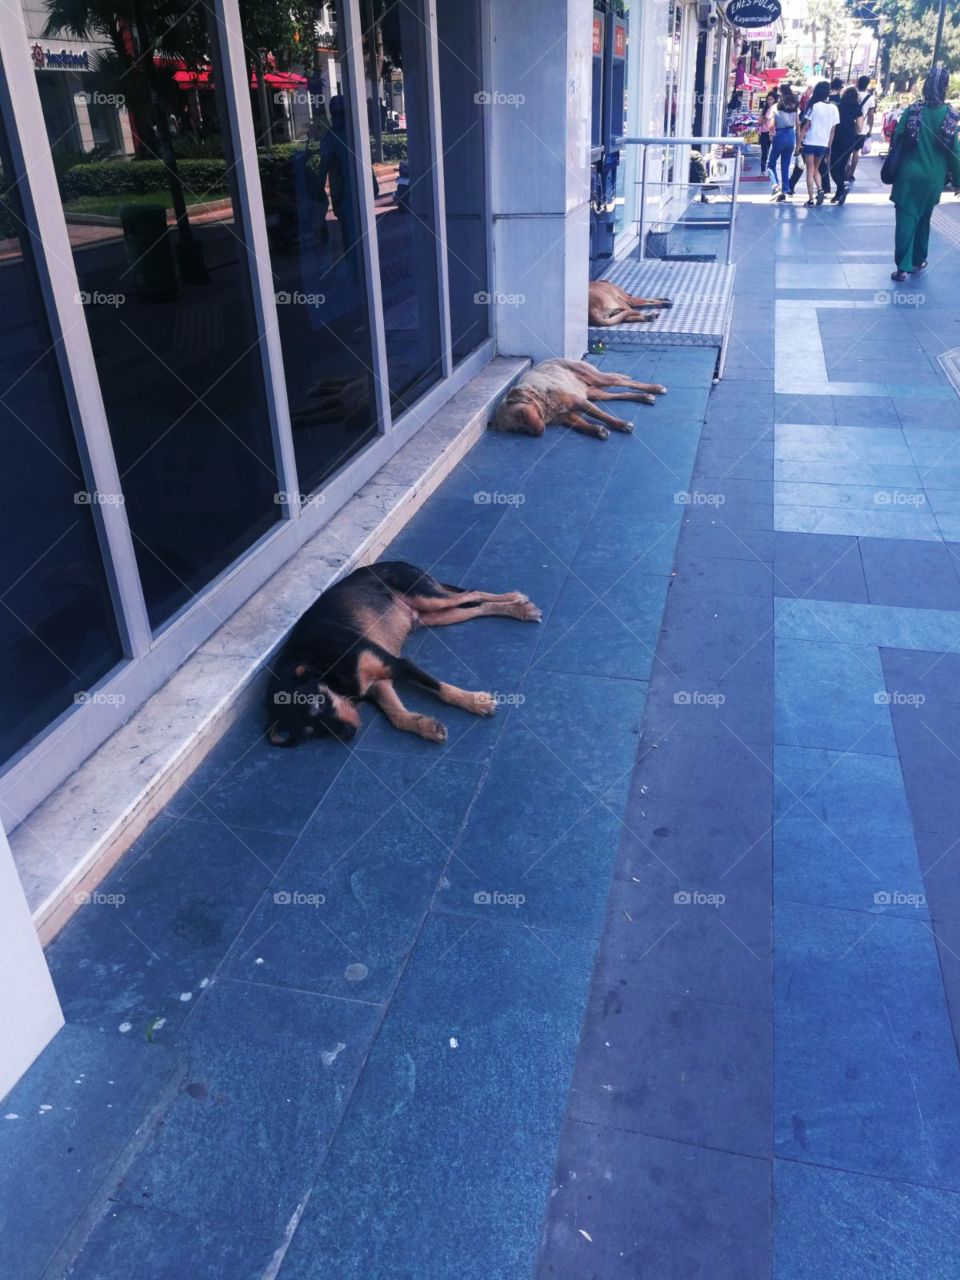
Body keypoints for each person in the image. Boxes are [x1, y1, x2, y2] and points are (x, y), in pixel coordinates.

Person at [889, 64, 960, 281]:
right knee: (924, 217)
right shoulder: (949, 117)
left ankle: (903, 267)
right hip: (933, 178)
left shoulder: (913, 111)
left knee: (906, 218)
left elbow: (897, 138)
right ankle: (919, 259)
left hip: (908, 175)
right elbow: (954, 152)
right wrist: (958, 180)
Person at [798, 80, 838, 206]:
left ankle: (810, 198)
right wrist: (829, 147)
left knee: (810, 170)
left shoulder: (814, 106)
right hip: (823, 143)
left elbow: (805, 127)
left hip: (810, 141)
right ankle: (820, 189)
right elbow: (832, 130)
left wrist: (798, 143)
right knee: (816, 168)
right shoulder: (834, 108)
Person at [829, 86, 863, 205]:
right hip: (849, 140)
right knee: (842, 166)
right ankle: (839, 194)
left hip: (837, 139)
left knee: (833, 168)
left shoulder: (838, 106)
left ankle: (841, 188)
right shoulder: (857, 108)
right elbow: (859, 127)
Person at [769, 84, 799, 202]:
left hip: (780, 135)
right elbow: (798, 124)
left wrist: (771, 135)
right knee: (785, 166)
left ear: (780, 93)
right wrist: (798, 143)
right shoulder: (794, 107)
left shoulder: (776, 107)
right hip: (791, 135)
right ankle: (785, 191)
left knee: (770, 163)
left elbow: (771, 124)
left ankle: (776, 187)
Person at [847, 75, 876, 182]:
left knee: (847, 150)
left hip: (849, 127)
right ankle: (851, 173)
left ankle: (845, 170)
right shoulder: (870, 98)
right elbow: (871, 115)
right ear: (867, 84)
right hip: (862, 129)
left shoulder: (852, 94)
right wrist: (870, 129)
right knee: (855, 152)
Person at [759, 93, 776, 180]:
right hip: (764, 133)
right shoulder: (764, 110)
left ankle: (771, 170)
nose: (769, 101)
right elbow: (759, 122)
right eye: (768, 99)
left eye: (771, 99)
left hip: (773, 133)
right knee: (764, 152)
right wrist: (765, 119)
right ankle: (762, 170)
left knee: (772, 153)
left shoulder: (777, 109)